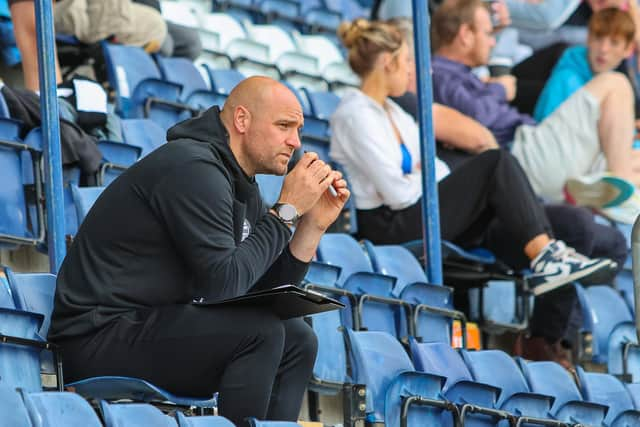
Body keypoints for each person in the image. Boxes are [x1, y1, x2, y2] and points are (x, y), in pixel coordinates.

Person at [48, 76, 350, 427]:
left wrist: (311, 226)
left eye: (297, 129)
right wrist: (285, 211)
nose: (294, 142)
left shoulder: (241, 182)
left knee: (299, 338)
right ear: (242, 120)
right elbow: (225, 285)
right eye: (284, 126)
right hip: (97, 336)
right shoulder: (192, 168)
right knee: (260, 332)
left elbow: (260, 289)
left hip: (150, 324)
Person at [330, 18, 612, 299]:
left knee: (512, 190)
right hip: (389, 227)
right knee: (495, 163)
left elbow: (435, 169)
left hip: (413, 208)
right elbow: (398, 194)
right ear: (388, 63)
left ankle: (549, 254)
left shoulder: (394, 111)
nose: (410, 69)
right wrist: (420, 175)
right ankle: (545, 258)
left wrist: (417, 174)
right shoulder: (355, 114)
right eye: (406, 60)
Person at [431, 0, 640, 223]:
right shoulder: (439, 75)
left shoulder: (462, 76)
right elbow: (479, 116)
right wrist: (498, 88)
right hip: (520, 157)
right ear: (465, 34)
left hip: (535, 156)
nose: (493, 41)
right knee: (615, 85)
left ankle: (608, 191)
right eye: (488, 33)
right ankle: (618, 189)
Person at [534, 8, 635, 121]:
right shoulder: (566, 79)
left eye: (614, 43)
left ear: (629, 50)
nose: (603, 49)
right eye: (598, 38)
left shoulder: (615, 87)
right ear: (588, 39)